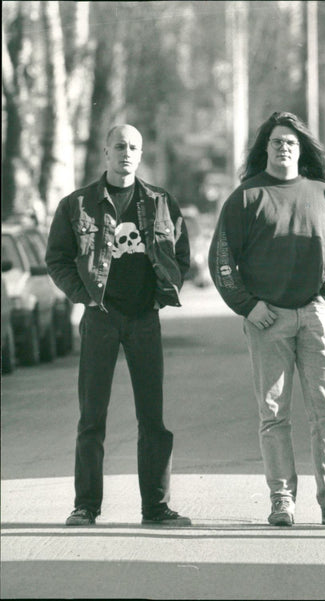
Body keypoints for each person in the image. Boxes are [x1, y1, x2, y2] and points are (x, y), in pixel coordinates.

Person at [208, 111, 325, 527]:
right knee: (274, 415)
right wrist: (247, 304)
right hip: (266, 318)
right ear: (265, 149)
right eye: (276, 142)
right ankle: (282, 500)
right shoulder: (246, 197)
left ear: (302, 149)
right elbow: (221, 259)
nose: (284, 147)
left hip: (315, 313)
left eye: (291, 142)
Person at [46, 124, 192, 527]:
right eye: (119, 146)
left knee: (153, 419)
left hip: (145, 318)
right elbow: (56, 258)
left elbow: (181, 256)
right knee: (91, 417)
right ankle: (85, 506)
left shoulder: (162, 203)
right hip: (101, 318)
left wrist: (162, 294)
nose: (126, 152)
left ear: (140, 155)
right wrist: (85, 295)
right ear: (105, 153)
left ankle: (156, 508)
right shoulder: (77, 205)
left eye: (133, 147)